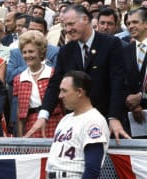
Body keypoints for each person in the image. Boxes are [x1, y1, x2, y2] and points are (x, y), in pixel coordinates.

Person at [25, 5, 130, 143]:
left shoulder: (111, 44)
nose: (67, 29)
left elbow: (117, 82)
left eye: (71, 24)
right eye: (65, 25)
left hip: (108, 122)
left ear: (85, 19)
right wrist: (43, 115)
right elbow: (55, 84)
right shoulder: (65, 51)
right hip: (77, 124)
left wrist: (114, 117)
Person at [12, 30, 63, 137]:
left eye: (31, 51)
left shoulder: (53, 74)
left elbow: (63, 104)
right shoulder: (19, 79)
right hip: (31, 125)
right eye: (24, 52)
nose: (27, 55)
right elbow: (20, 113)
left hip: (54, 122)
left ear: (41, 52)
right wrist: (21, 138)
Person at [123, 8, 147, 132]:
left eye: (135, 22)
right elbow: (121, 80)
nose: (131, 26)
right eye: (128, 23)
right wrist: (132, 102)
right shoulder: (125, 51)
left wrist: (141, 98)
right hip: (131, 119)